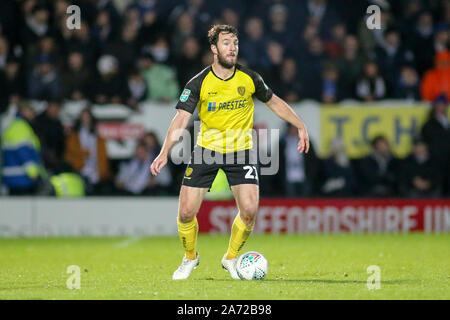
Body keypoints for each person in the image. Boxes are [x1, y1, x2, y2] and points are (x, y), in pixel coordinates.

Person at [150, 25, 310, 280]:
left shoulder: (250, 78)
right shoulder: (199, 82)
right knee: (185, 212)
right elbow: (181, 119)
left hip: (242, 151)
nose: (232, 47)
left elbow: (275, 102)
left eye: (235, 42)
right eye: (226, 42)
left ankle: (231, 258)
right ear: (214, 49)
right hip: (207, 151)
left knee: (249, 210)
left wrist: (300, 124)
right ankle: (190, 258)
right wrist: (163, 152)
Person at [1, 101, 46, 195]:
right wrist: (34, 173)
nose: (33, 114)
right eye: (31, 111)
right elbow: (23, 152)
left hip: (17, 178)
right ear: (23, 111)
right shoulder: (19, 127)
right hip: (21, 178)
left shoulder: (19, 125)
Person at [64, 108, 111, 195]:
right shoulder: (74, 136)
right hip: (80, 170)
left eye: (87, 117)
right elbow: (71, 153)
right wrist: (84, 153)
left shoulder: (96, 136)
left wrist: (102, 171)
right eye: (83, 117)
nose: (85, 119)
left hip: (95, 171)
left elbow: (101, 155)